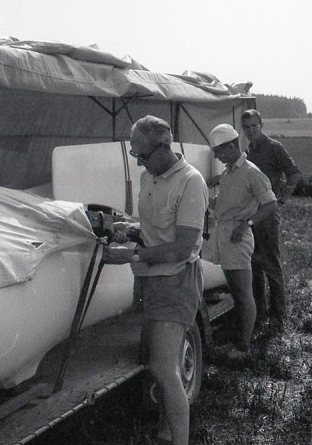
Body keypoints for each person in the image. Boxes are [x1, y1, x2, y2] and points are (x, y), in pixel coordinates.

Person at [103, 115, 208, 445]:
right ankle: (166, 430)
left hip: (175, 280)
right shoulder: (151, 175)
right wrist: (130, 229)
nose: (140, 163)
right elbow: (154, 228)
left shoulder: (191, 181)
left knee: (164, 369)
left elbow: (183, 245)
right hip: (150, 278)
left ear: (165, 147)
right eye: (135, 156)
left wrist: (132, 255)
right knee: (161, 364)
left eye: (143, 155)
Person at [206, 123, 277, 355]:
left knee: (243, 293)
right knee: (236, 292)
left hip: (238, 237)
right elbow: (229, 204)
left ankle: (243, 345)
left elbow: (270, 205)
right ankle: (238, 339)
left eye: (219, 152)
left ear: (230, 147)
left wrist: (247, 223)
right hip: (225, 234)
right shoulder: (229, 173)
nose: (217, 156)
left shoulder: (251, 172)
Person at [241, 109, 301, 333]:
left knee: (271, 265)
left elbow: (293, 173)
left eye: (254, 126)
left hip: (268, 215)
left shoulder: (274, 147)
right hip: (251, 216)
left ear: (262, 125)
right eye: (246, 127)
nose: (250, 131)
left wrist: (282, 199)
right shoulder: (247, 150)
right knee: (254, 265)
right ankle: (260, 314)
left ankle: (279, 316)